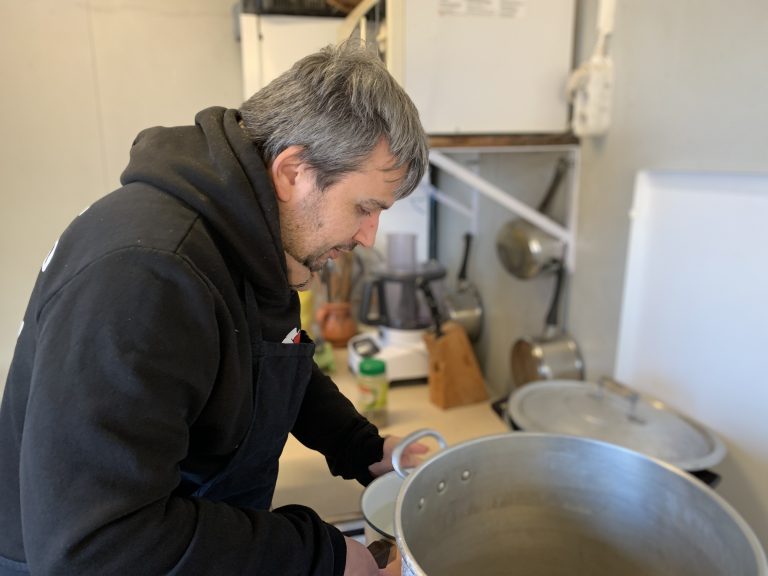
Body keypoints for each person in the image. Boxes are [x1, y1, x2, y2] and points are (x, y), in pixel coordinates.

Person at [0, 40, 429, 575]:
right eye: (364, 208)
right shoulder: (145, 276)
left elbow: (268, 360)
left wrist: (365, 448)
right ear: (294, 171)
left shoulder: (245, 236)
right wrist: (330, 559)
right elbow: (98, 547)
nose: (369, 235)